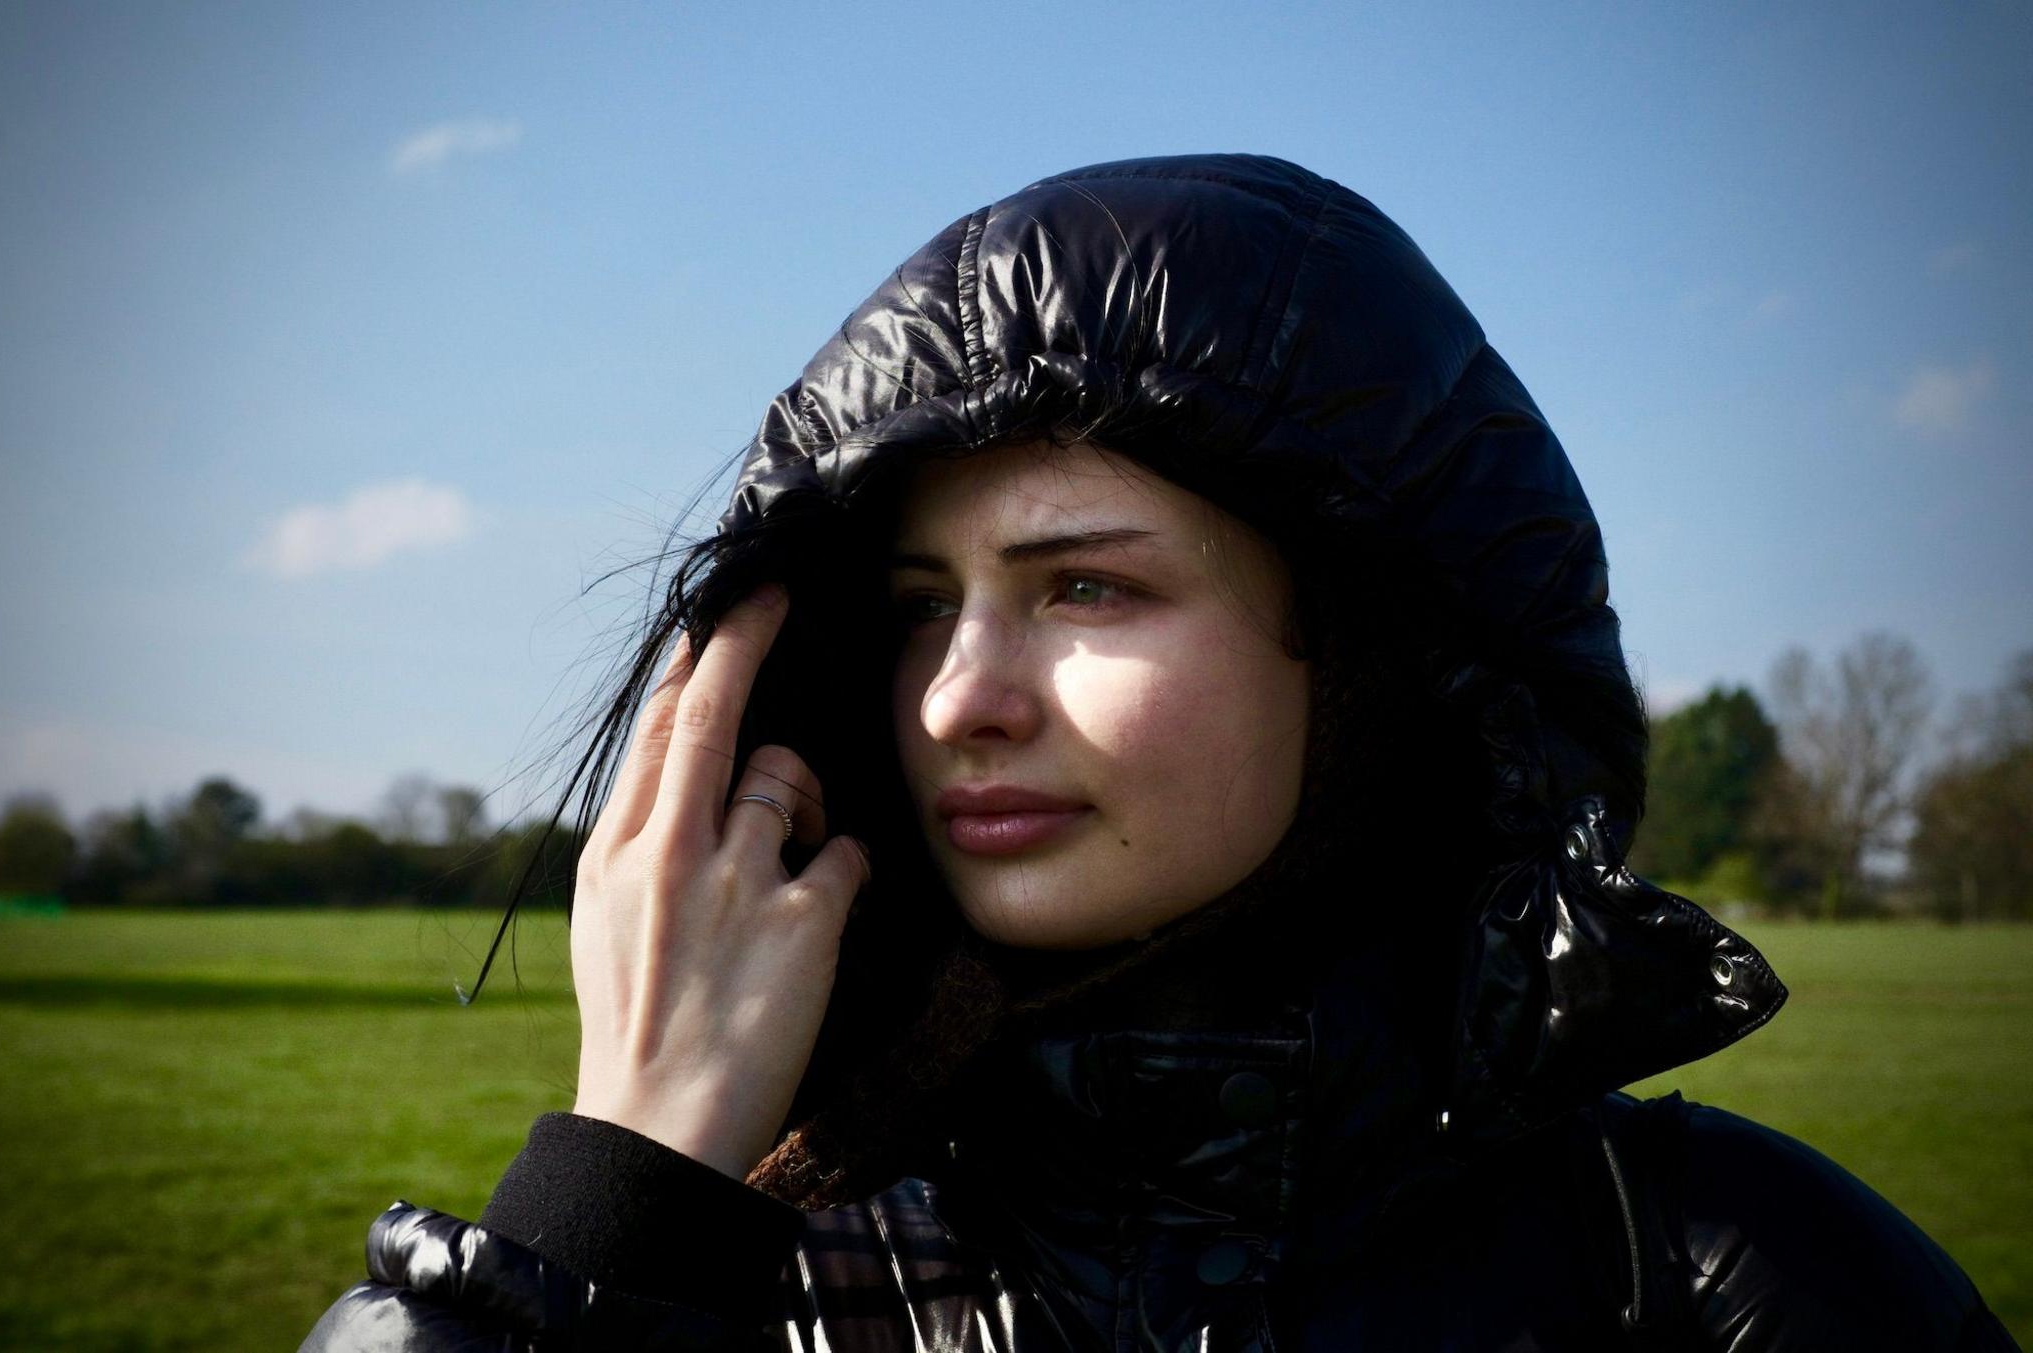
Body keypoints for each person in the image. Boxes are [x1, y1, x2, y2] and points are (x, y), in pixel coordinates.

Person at [300, 154, 2017, 1351]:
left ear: (1364, 670)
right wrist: (613, 1214)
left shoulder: (1720, 1279)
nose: (957, 696)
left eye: (1088, 588)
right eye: (913, 604)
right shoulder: (732, 1289)